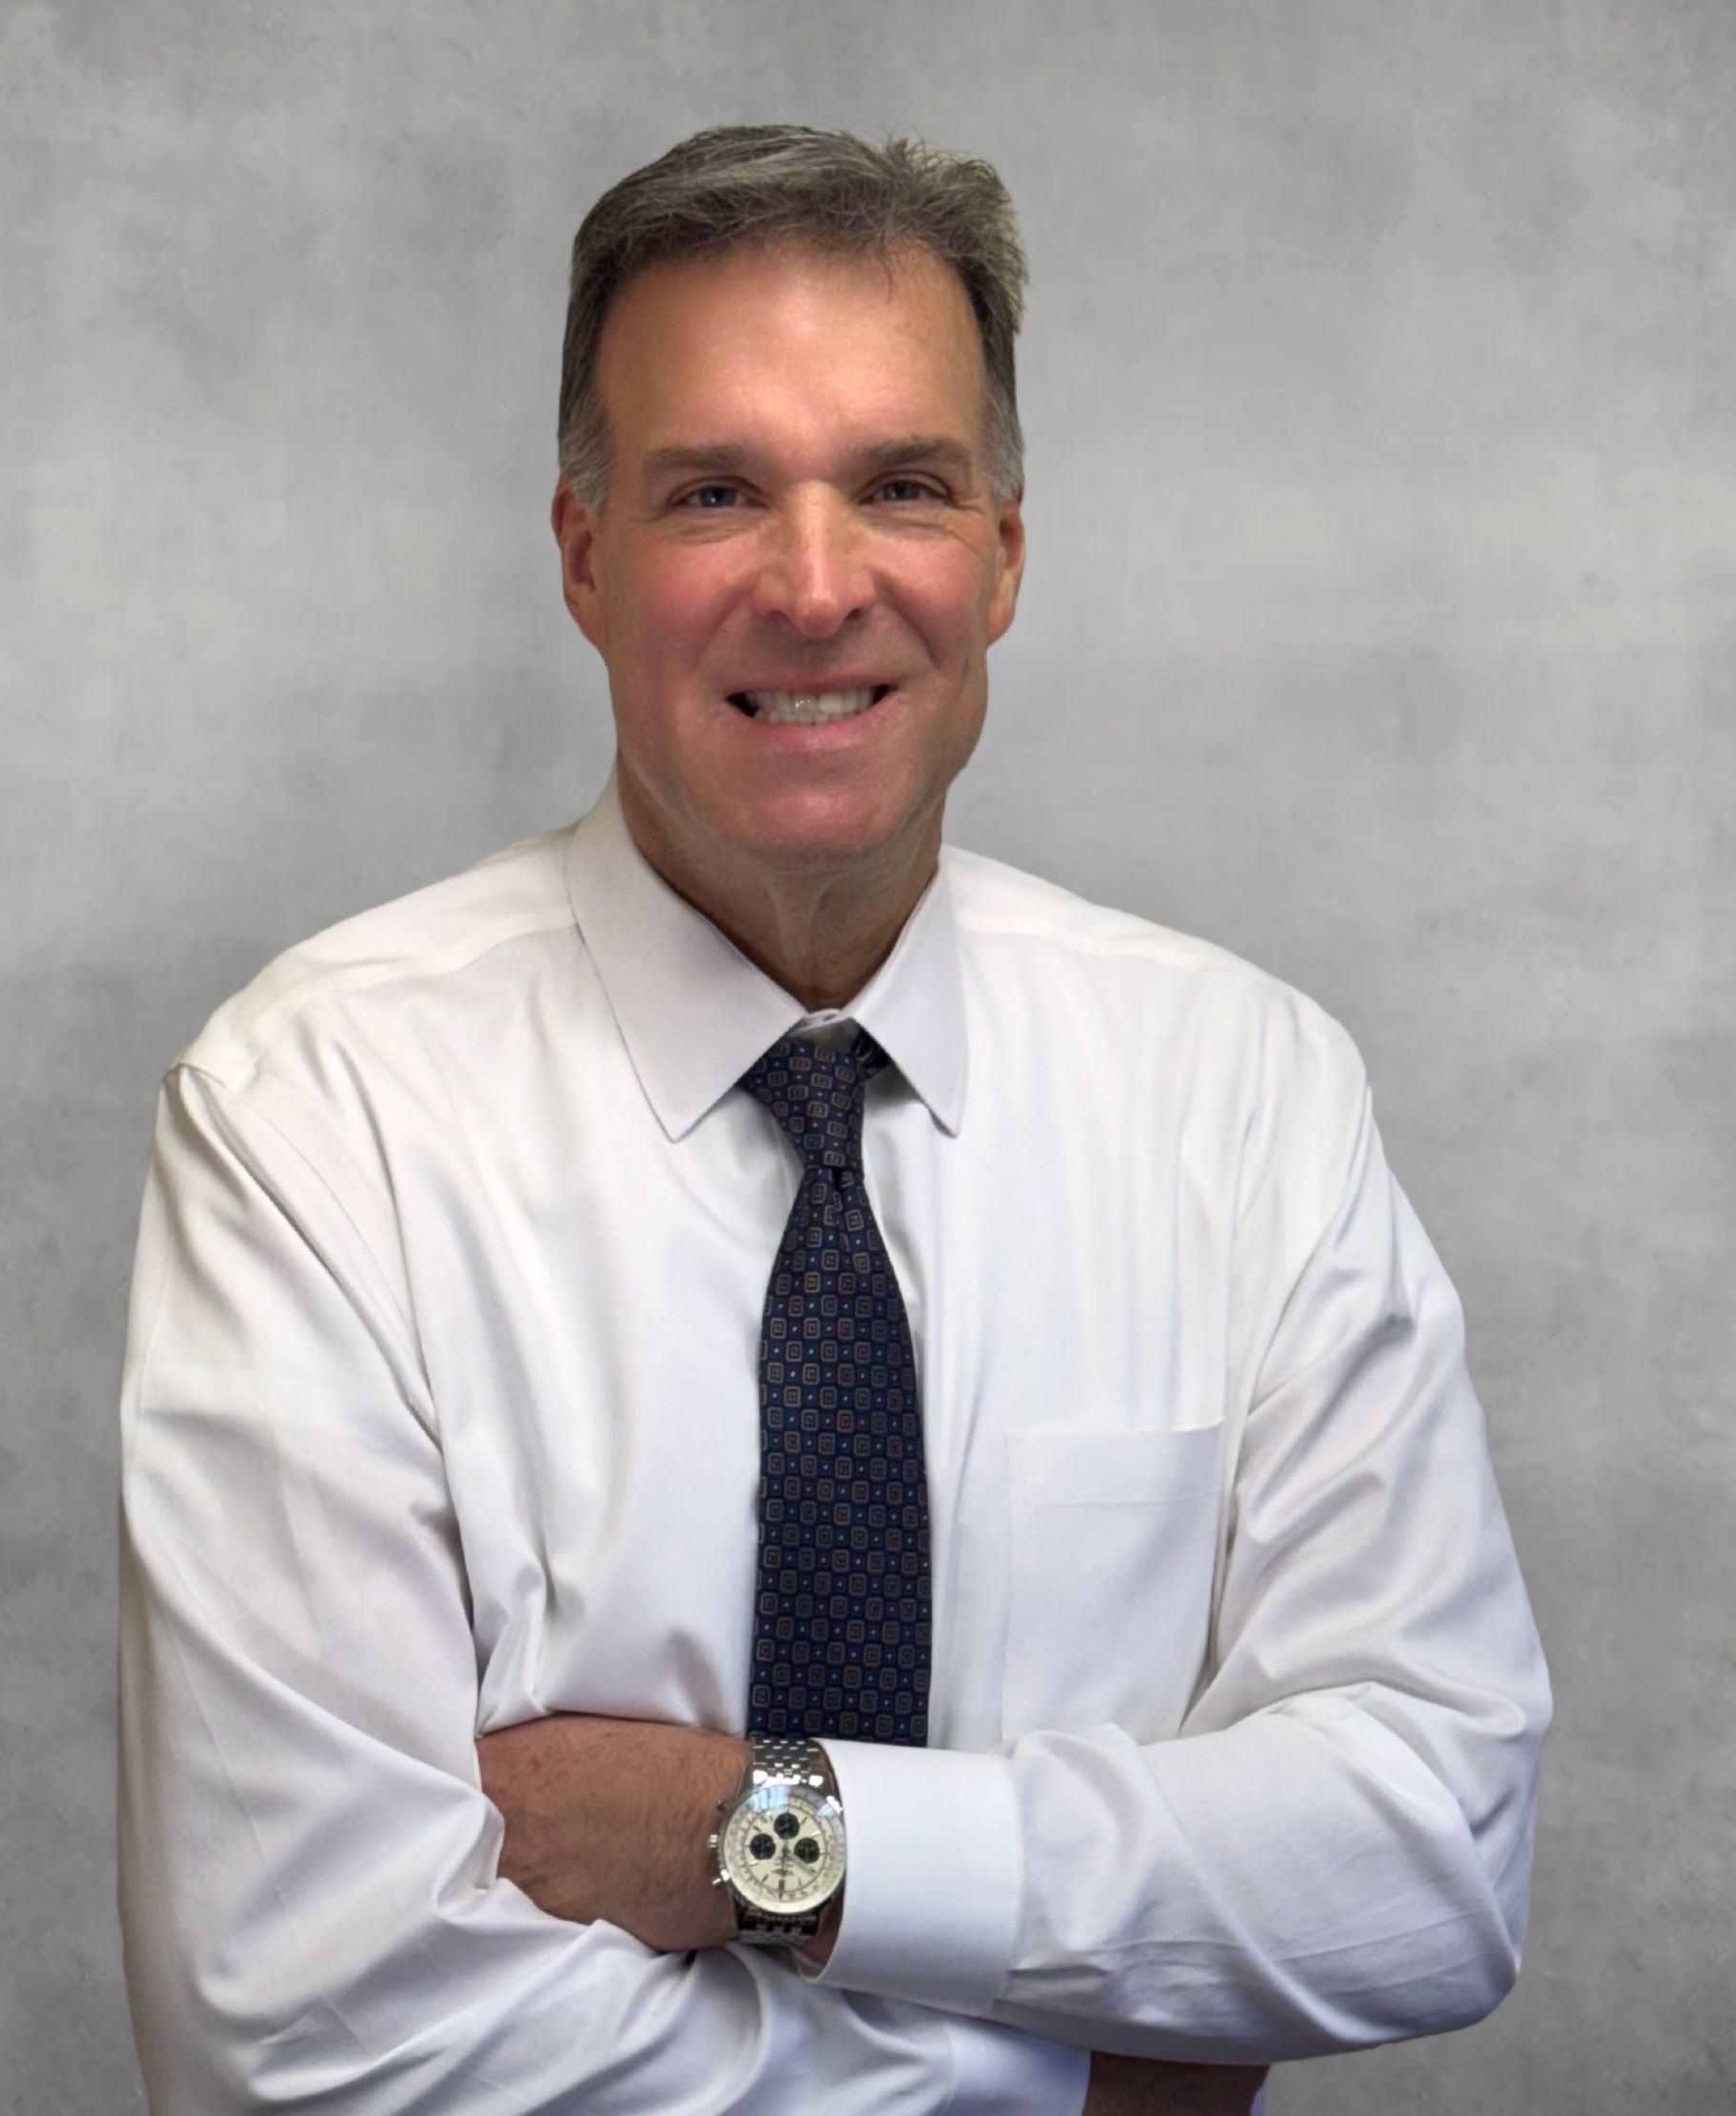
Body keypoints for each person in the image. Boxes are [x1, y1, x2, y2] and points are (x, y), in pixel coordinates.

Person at [116, 125, 1552, 2115]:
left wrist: (756, 1825)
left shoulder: (1245, 1094)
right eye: (715, 492)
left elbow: (1432, 1859)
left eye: (902, 486)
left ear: (1006, 557)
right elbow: (301, 2028)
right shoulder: (317, 1116)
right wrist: (1075, 2073)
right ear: (587, 556)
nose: (816, 584)